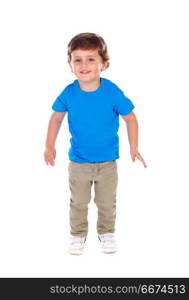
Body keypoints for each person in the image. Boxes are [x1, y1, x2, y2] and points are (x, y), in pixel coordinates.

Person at [44, 32, 147, 255]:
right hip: (79, 162)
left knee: (107, 202)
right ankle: (77, 234)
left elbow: (130, 117)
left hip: (108, 162)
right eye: (77, 59)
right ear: (70, 64)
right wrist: (49, 146)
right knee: (78, 202)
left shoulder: (112, 91)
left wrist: (134, 146)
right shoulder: (69, 93)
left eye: (91, 59)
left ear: (104, 64)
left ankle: (107, 233)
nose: (84, 64)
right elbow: (56, 117)